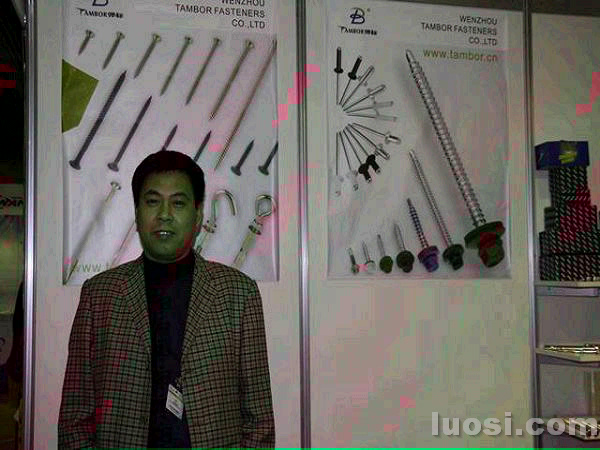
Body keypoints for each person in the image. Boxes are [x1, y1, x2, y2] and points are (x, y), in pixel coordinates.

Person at [58, 150, 275, 448]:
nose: (164, 214)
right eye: (152, 201)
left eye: (178, 203)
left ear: (198, 215)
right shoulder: (100, 295)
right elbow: (75, 416)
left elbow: (259, 419)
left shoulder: (238, 294)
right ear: (137, 213)